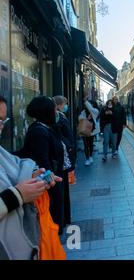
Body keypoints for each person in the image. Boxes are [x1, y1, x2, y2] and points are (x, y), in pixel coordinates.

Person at [0, 95, 62, 259]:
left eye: (2, 121)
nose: (1, 127)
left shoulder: (2, 153)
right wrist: (18, 195)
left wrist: (35, 176)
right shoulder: (38, 131)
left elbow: (19, 166)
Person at [13, 96, 68, 235]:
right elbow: (44, 161)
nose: (57, 112)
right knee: (52, 221)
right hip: (50, 183)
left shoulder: (46, 128)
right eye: (54, 109)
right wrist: (53, 185)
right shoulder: (39, 132)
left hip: (55, 179)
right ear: (47, 112)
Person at [53, 95, 74, 226]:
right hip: (63, 161)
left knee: (64, 192)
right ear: (59, 105)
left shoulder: (60, 117)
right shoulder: (58, 118)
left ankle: (65, 219)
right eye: (65, 104)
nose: (66, 106)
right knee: (62, 192)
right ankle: (63, 221)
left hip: (65, 160)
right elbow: (64, 136)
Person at [79, 99, 100, 166]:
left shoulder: (95, 111)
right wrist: (86, 119)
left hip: (92, 130)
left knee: (90, 144)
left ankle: (90, 156)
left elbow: (91, 109)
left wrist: (85, 101)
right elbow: (79, 118)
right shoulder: (84, 112)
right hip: (84, 129)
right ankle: (87, 158)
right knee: (85, 145)